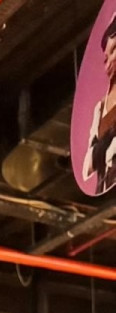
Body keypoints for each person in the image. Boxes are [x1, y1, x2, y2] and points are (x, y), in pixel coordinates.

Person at [83, 15, 116, 194]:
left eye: (114, 50)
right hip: (106, 186)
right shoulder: (100, 108)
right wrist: (108, 142)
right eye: (105, 58)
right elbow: (87, 167)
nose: (109, 63)